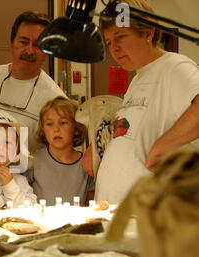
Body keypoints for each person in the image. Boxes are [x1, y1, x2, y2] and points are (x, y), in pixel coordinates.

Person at [83, 0, 199, 204]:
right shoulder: (137, 79)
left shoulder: (176, 67)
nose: (114, 49)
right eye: (109, 42)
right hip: (117, 211)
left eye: (120, 37)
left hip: (152, 213)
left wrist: (161, 146)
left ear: (148, 33)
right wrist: (100, 145)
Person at [0, 11, 66, 154]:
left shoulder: (55, 99)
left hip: (25, 176)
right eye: (23, 42)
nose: (30, 51)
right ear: (12, 44)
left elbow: (60, 156)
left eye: (38, 45)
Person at [27, 97, 93, 206]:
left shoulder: (87, 164)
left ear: (76, 128)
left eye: (63, 122)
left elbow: (91, 206)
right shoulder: (32, 160)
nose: (56, 129)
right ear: (43, 129)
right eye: (49, 124)